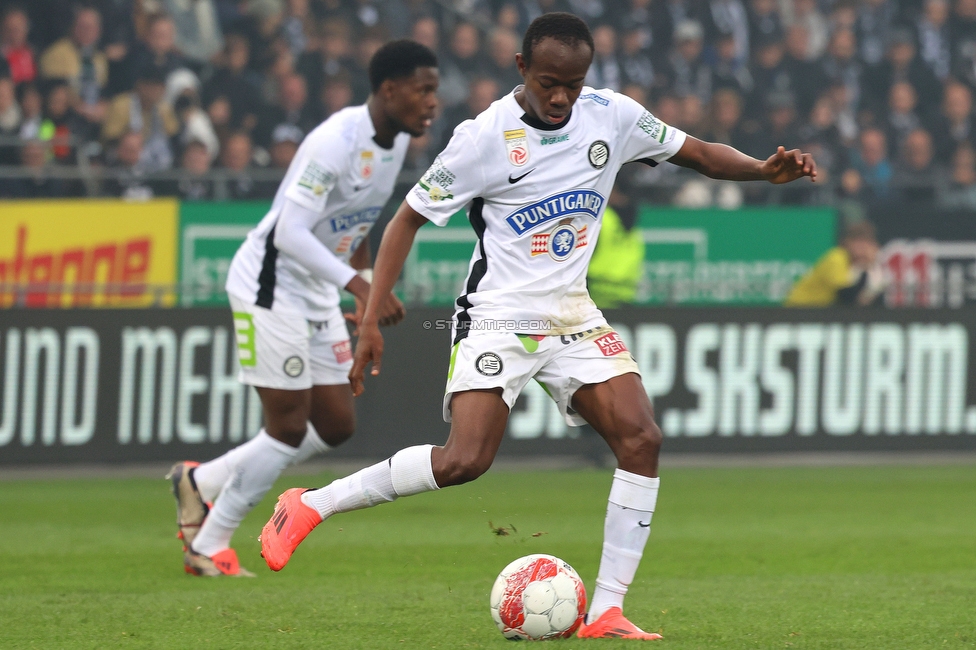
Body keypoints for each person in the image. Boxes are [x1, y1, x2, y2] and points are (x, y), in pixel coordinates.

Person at [259, 12, 816, 639]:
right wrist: (368, 318)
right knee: (465, 461)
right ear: (522, 68)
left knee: (642, 438)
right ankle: (310, 503)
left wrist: (763, 170)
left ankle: (605, 610)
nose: (561, 98)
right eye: (550, 82)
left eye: (573, 85)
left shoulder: (612, 115)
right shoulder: (483, 138)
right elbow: (406, 220)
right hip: (497, 315)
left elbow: (701, 155)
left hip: (572, 312)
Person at [166, 39, 439, 578]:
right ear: (389, 90)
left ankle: (200, 483)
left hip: (315, 289)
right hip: (269, 284)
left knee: (336, 424)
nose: (433, 102)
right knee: (287, 427)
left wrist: (362, 301)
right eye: (424, 89)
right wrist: (365, 293)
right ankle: (210, 543)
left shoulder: (394, 147)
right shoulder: (335, 141)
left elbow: (355, 232)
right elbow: (290, 232)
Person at [785, 220, 885, 307]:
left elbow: (866, 297)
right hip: (800, 308)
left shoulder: (861, 264)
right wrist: (864, 268)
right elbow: (845, 295)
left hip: (822, 311)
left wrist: (868, 267)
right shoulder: (837, 257)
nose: (862, 248)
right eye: (858, 243)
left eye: (866, 243)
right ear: (847, 242)